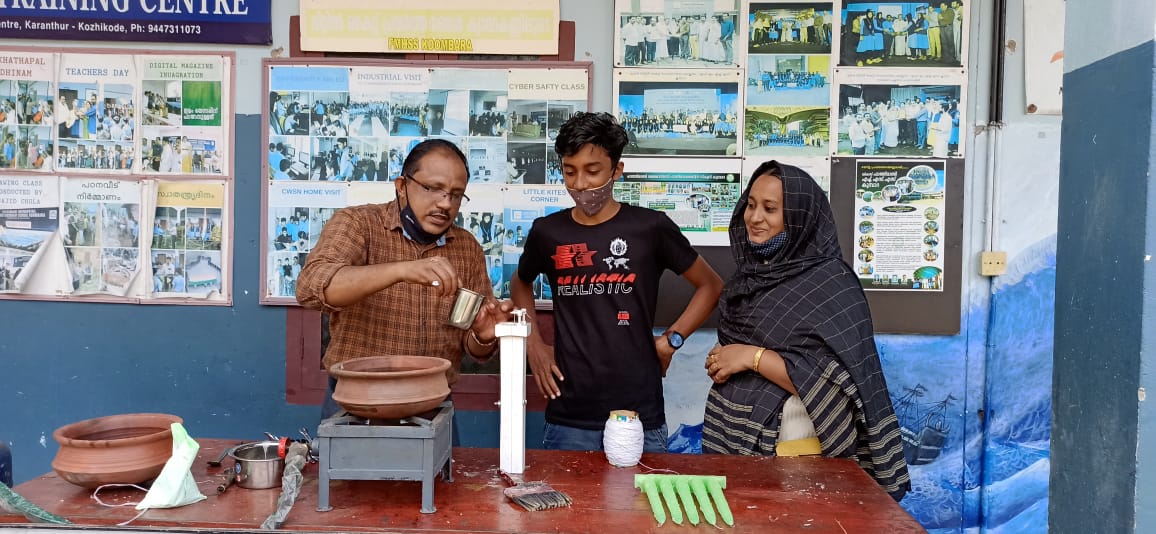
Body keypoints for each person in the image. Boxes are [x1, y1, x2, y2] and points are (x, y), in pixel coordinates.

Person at [511, 112, 723, 453]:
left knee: (640, 491)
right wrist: (533, 342)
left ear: (616, 170)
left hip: (639, 413)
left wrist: (672, 340)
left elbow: (710, 285)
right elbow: (520, 282)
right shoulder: (548, 232)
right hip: (569, 415)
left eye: (592, 171)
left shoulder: (650, 228)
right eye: (569, 171)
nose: (580, 184)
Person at [701, 160, 910, 501]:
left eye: (770, 209)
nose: (755, 218)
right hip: (735, 437)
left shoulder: (830, 285)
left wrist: (751, 357)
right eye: (751, 205)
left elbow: (832, 384)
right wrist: (725, 358)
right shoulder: (749, 277)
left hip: (797, 444)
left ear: (799, 216)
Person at [297, 139, 512, 420]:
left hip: (433, 403)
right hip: (358, 402)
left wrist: (482, 335)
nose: (445, 203)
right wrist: (400, 271)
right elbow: (310, 287)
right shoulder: (358, 223)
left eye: (456, 195)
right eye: (432, 188)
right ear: (402, 186)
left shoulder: (466, 248)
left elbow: (471, 345)